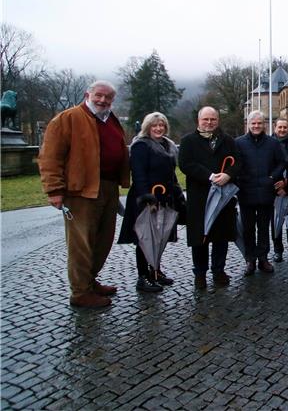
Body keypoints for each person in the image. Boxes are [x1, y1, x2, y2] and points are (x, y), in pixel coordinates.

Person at [39, 80, 130, 308]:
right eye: (99, 95)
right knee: (81, 243)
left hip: (108, 187)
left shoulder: (110, 119)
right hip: (80, 190)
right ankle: (80, 293)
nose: (103, 100)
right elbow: (50, 157)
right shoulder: (67, 119)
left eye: (108, 98)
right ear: (87, 94)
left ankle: (89, 281)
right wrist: (54, 190)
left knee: (103, 239)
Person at [119, 112, 183, 293]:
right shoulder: (140, 145)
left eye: (161, 125)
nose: (158, 128)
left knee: (160, 237)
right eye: (154, 125)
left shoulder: (168, 145)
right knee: (145, 238)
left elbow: (171, 174)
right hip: (147, 199)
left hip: (166, 197)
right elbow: (138, 174)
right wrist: (147, 197)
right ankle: (143, 277)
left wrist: (177, 194)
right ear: (147, 127)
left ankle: (155, 270)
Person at [179, 106, 241, 289]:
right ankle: (200, 273)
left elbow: (238, 161)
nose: (209, 123)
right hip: (199, 196)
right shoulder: (188, 141)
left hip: (223, 195)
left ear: (218, 120)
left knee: (221, 236)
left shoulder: (228, 140)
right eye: (205, 119)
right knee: (200, 238)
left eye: (213, 119)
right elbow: (185, 164)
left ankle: (218, 270)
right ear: (199, 120)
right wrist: (209, 176)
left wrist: (228, 175)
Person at [235, 111, 285, 276]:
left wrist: (273, 177)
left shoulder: (273, 143)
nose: (256, 126)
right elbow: (234, 165)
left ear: (264, 124)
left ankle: (263, 258)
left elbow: (281, 163)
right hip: (246, 192)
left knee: (263, 228)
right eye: (253, 123)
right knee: (248, 229)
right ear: (248, 125)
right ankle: (250, 259)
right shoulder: (239, 143)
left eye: (259, 123)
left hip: (266, 192)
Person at [272, 117, 288, 262]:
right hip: (274, 190)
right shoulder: (269, 143)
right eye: (279, 127)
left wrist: (287, 183)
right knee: (275, 222)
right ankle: (277, 250)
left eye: (284, 127)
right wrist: (277, 186)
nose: (282, 130)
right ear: (275, 128)